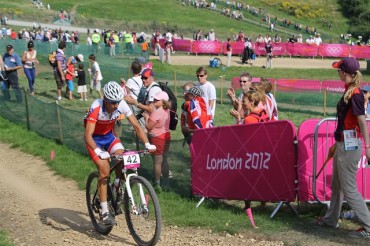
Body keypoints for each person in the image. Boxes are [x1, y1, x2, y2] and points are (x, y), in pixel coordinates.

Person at [84, 81, 156, 226]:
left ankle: (117, 186)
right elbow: (88, 136)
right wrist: (98, 151)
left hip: (109, 138)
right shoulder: (96, 107)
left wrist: (147, 144)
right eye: (113, 103)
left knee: (123, 159)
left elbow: (136, 125)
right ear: (105, 100)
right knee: (104, 170)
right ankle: (104, 210)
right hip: (94, 140)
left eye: (118, 102)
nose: (116, 106)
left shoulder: (121, 104)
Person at [315, 57, 370, 238]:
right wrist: (338, 144)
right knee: (337, 185)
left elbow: (362, 122)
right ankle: (331, 220)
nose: (337, 72)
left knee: (349, 188)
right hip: (344, 144)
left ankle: (368, 226)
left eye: (339, 70)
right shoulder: (350, 91)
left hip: (349, 146)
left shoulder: (355, 94)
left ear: (345, 73)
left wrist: (368, 147)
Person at [143, 91, 171, 192]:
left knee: (157, 162)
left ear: (163, 102)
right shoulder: (166, 110)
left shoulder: (157, 112)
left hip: (157, 138)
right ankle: (166, 182)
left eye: (157, 99)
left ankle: (157, 183)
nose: (154, 100)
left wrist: (146, 117)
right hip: (166, 136)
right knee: (165, 160)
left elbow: (148, 126)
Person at [121, 60, 145, 128]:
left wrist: (124, 84)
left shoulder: (130, 80)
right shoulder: (143, 78)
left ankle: (135, 136)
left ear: (131, 69)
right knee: (141, 120)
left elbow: (128, 94)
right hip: (142, 101)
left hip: (133, 103)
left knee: (134, 122)